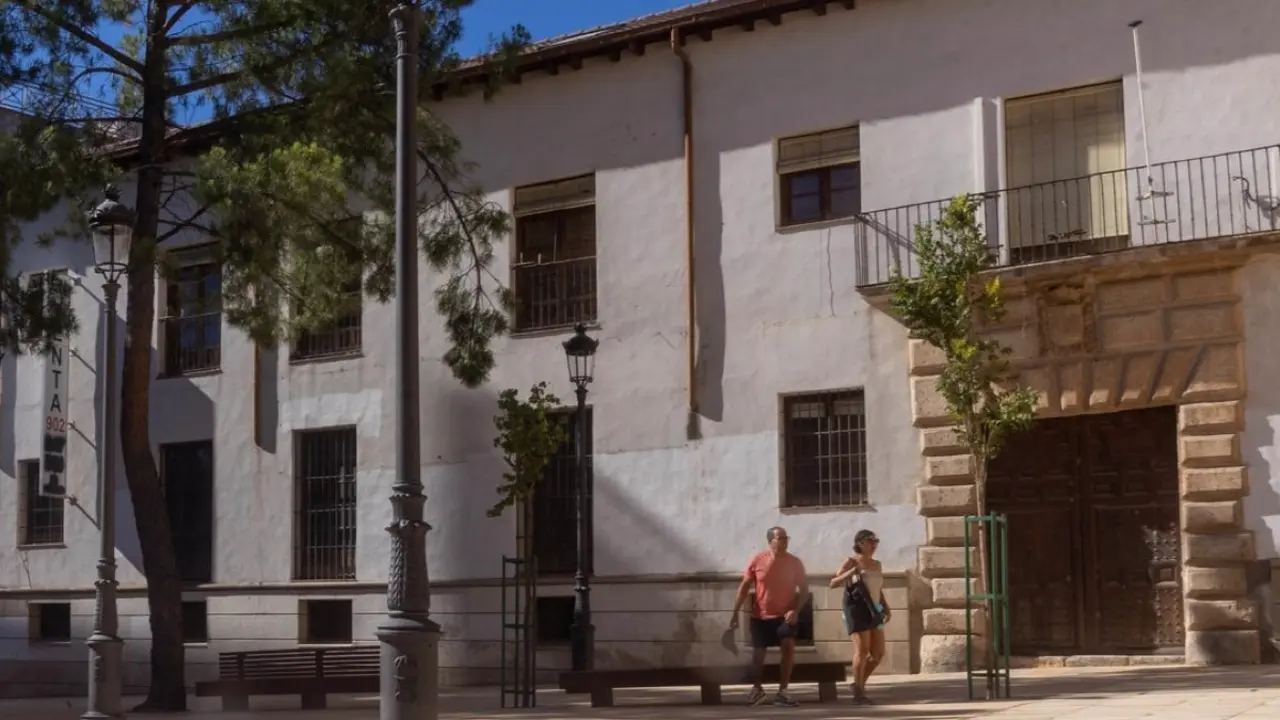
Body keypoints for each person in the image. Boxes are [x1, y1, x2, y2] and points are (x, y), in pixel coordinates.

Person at [728, 526, 808, 707]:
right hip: (761, 615)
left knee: (788, 647)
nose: (784, 541)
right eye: (780, 538)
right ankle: (757, 690)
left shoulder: (795, 562)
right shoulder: (758, 561)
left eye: (786, 538)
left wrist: (795, 610)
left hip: (785, 616)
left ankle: (783, 692)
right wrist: (735, 613)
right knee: (758, 654)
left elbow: (804, 591)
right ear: (770, 541)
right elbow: (743, 588)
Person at [829, 529, 890, 705]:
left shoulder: (877, 564)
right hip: (857, 610)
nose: (874, 546)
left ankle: (858, 684)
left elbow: (877, 587)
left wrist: (885, 606)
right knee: (862, 651)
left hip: (875, 609)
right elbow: (833, 583)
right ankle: (859, 694)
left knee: (878, 653)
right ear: (860, 543)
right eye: (871, 542)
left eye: (876, 542)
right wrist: (852, 572)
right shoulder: (850, 561)